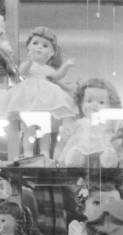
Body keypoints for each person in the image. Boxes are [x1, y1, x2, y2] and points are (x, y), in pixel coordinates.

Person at [1, 26, 75, 160]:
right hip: (28, 99)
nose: (39, 47)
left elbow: (57, 75)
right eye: (35, 43)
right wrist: (29, 60)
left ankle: (45, 151)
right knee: (28, 126)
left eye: (45, 45)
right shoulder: (29, 65)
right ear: (28, 46)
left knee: (45, 128)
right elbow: (21, 73)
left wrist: (66, 66)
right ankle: (28, 151)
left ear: (52, 52)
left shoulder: (47, 69)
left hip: (46, 102)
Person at [54, 78, 123, 168]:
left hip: (102, 150)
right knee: (75, 154)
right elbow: (68, 138)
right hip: (82, 149)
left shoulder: (108, 124)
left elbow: (116, 138)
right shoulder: (79, 123)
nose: (94, 105)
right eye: (89, 101)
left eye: (101, 102)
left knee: (108, 155)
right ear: (81, 103)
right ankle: (75, 160)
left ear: (110, 105)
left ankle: (108, 160)